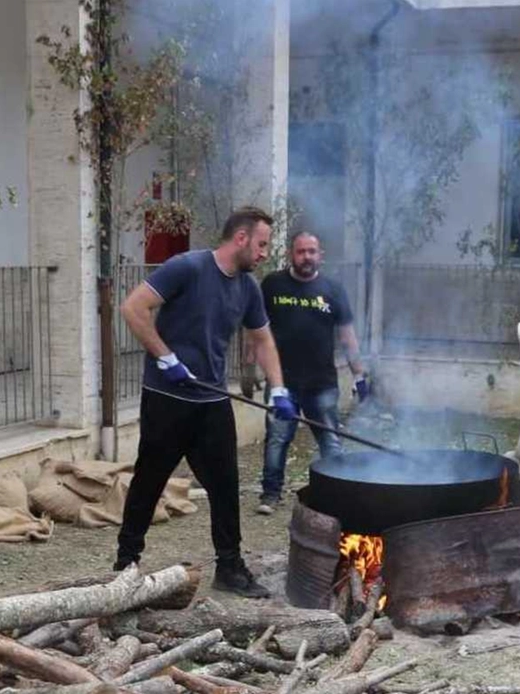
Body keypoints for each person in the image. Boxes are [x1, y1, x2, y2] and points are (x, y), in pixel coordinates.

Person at [116, 206, 297, 599]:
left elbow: (262, 339)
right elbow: (133, 308)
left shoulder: (247, 288)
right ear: (242, 238)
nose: (266, 253)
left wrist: (279, 389)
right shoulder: (187, 267)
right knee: (149, 481)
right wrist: (166, 357)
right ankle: (125, 564)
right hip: (168, 397)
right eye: (263, 244)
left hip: (212, 400)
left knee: (225, 486)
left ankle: (229, 568)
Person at [256, 231, 369, 516]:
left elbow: (348, 337)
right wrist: (249, 369)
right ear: (291, 254)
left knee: (330, 440)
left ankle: (338, 490)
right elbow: (256, 329)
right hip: (283, 382)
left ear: (321, 255)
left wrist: (360, 376)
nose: (306, 256)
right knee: (277, 439)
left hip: (322, 384)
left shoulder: (333, 289)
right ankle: (270, 494)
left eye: (312, 251)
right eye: (301, 251)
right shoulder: (272, 285)